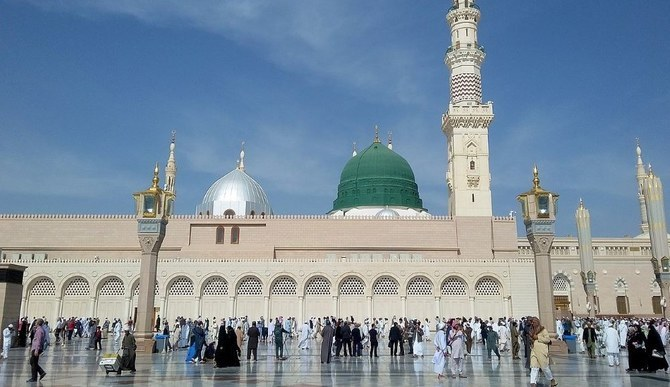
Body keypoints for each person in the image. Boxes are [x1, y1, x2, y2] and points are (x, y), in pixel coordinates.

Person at [529, 317, 557, 387]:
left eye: (534, 322)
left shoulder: (543, 330)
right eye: (532, 322)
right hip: (534, 351)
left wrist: (538, 337)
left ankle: (552, 380)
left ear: (537, 322)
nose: (533, 323)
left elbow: (547, 340)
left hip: (542, 351)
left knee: (544, 368)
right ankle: (533, 383)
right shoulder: (532, 330)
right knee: (534, 367)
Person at [27, 318, 46, 382]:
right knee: (33, 362)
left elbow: (38, 341)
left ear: (37, 323)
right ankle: (41, 372)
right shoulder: (40, 330)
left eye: (36, 322)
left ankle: (34, 377)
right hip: (37, 348)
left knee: (33, 362)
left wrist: (36, 350)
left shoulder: (39, 331)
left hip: (36, 348)